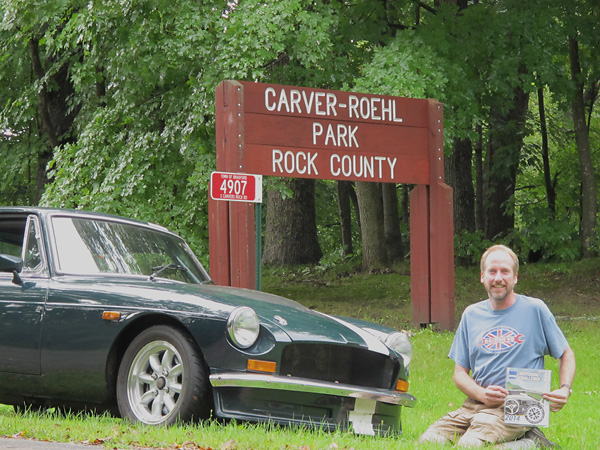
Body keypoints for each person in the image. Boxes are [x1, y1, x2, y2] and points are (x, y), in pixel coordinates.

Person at [419, 244, 576, 448]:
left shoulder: (535, 309)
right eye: (492, 271)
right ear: (483, 276)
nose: (498, 278)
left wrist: (565, 389)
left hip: (520, 405)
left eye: (505, 271)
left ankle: (530, 442)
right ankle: (526, 441)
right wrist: (481, 394)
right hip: (475, 404)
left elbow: (566, 354)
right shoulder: (471, 315)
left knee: (469, 445)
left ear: (515, 277)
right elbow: (459, 373)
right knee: (429, 441)